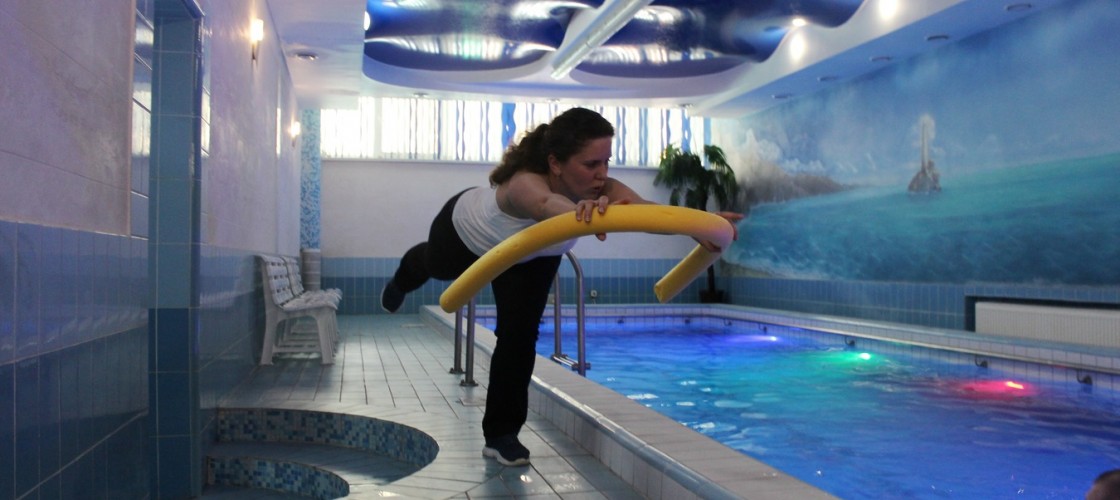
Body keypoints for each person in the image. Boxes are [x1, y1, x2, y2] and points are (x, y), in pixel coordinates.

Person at [379, 107, 740, 466]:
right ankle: (401, 280)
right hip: (466, 235)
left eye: (606, 162)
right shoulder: (525, 182)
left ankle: (501, 436)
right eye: (590, 164)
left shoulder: (603, 188)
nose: (602, 174)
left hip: (532, 254)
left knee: (519, 336)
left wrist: (698, 225)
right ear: (555, 163)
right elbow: (546, 204)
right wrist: (584, 212)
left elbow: (646, 212)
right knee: (434, 267)